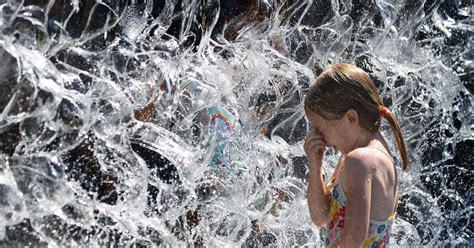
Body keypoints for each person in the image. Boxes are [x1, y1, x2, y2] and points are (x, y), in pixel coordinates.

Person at [303, 63, 408, 247]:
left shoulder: (360, 161)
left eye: (320, 127)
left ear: (351, 118)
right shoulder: (359, 156)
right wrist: (315, 167)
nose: (320, 137)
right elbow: (321, 218)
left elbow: (353, 241)